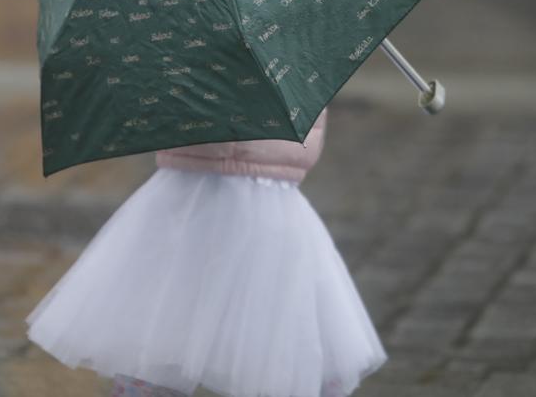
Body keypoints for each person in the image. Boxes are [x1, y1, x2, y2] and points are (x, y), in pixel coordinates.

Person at [26, 107, 387, 397]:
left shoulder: (205, 30)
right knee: (239, 327)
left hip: (209, 193)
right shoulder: (300, 42)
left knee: (164, 320)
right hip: (244, 194)